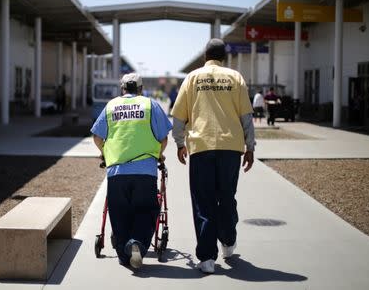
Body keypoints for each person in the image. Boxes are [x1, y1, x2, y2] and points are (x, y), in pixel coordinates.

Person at [171, 38, 255, 274]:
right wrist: (250, 147)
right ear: (224, 57)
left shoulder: (192, 78)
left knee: (203, 200)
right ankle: (228, 241)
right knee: (227, 196)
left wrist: (179, 143)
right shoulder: (235, 77)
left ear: (204, 56)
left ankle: (207, 259)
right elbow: (246, 117)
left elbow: (178, 118)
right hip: (231, 148)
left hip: (201, 147)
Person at [91, 72, 172, 269]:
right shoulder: (150, 105)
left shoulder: (111, 106)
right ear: (141, 89)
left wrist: (105, 155)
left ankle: (124, 254)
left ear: (122, 88)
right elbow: (163, 138)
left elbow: (97, 137)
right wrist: (158, 155)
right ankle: (137, 243)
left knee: (119, 213)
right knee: (146, 210)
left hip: (117, 172)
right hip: (145, 172)